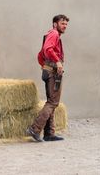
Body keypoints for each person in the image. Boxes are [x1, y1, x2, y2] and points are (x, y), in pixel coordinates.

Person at [27, 14, 69, 142]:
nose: (65, 26)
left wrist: (44, 66)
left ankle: (49, 133)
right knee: (53, 102)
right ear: (55, 24)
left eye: (66, 24)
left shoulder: (50, 35)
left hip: (49, 72)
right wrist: (57, 62)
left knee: (51, 101)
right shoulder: (54, 34)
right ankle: (34, 128)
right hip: (53, 73)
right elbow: (47, 49)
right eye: (62, 23)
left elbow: (40, 55)